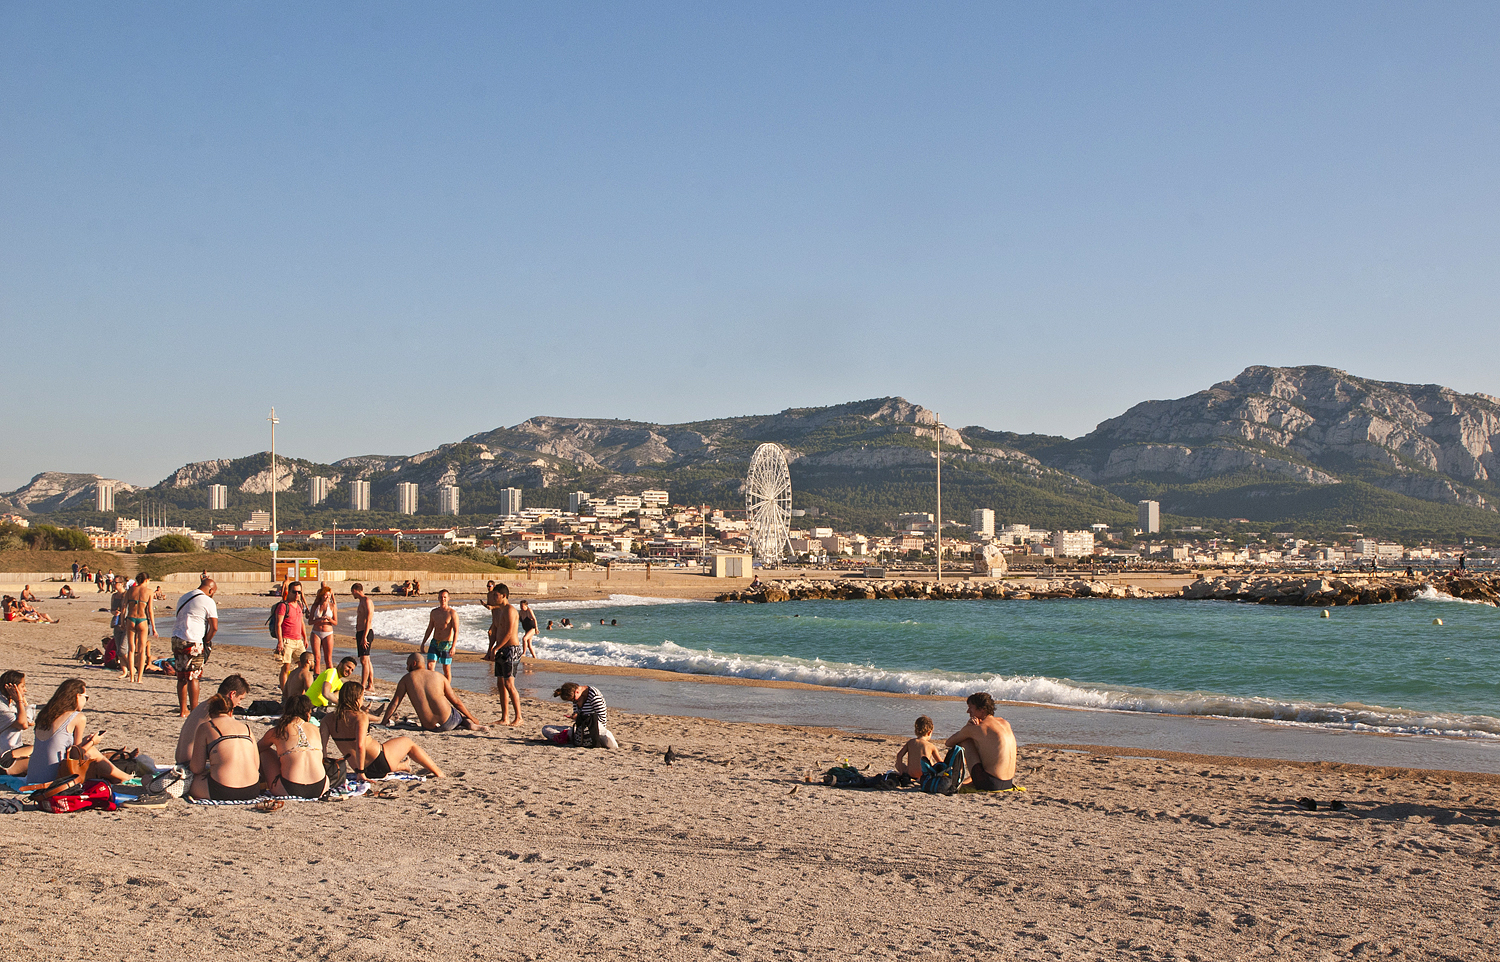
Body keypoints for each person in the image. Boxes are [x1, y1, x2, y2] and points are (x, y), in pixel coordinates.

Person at [325, 683, 444, 780]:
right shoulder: (360, 717)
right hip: (380, 761)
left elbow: (322, 748)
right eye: (362, 697)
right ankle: (438, 773)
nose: (363, 700)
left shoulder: (327, 719)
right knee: (408, 743)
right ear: (356, 699)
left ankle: (403, 766)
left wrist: (325, 770)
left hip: (358, 767)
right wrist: (361, 773)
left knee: (390, 754)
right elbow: (360, 745)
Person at [26, 679, 132, 785]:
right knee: (91, 750)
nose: (86, 701)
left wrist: (85, 741)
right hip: (54, 778)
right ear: (77, 696)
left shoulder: (44, 715)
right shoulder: (77, 717)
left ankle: (118, 776)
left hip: (33, 776)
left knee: (88, 748)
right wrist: (92, 742)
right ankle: (124, 777)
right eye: (86, 697)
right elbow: (76, 754)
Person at [381, 654, 486, 731]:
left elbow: (395, 703)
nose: (406, 668)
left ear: (413, 663)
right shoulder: (438, 676)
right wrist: (472, 718)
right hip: (448, 722)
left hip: (429, 726)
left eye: (407, 665)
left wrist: (384, 721)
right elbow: (456, 701)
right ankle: (469, 724)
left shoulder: (406, 679)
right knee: (458, 715)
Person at [188, 694, 261, 801]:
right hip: (252, 789)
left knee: (192, 780)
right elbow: (256, 765)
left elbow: (196, 768)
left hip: (223, 791)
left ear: (210, 714)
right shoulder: (247, 728)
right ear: (231, 712)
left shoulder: (206, 727)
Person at [944, 692, 1017, 791]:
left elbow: (949, 742)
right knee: (981, 742)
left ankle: (954, 778)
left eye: (971, 708)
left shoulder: (978, 727)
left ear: (982, 710)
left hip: (990, 784)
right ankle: (965, 779)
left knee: (965, 741)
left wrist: (967, 727)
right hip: (1008, 783)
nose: (968, 711)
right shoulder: (1004, 722)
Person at [176, 674, 252, 770]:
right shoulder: (219, 710)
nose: (239, 703)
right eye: (240, 699)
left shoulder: (205, 705)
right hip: (191, 766)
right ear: (232, 694)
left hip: (181, 762)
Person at [257, 695, 326, 799]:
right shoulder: (315, 728)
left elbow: (257, 749)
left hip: (289, 788)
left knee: (265, 753)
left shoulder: (278, 731)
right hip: (321, 787)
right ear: (308, 713)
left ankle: (261, 783)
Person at [171, 577, 219, 717]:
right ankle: (194, 710)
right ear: (211, 590)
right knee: (194, 676)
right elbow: (214, 627)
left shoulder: (184, 597)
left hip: (177, 638)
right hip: (193, 639)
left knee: (181, 676)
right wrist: (207, 640)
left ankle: (182, 710)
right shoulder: (207, 601)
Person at [484, 583, 522, 726]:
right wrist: (491, 649)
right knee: (500, 683)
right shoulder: (497, 611)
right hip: (500, 649)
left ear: (504, 596)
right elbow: (495, 631)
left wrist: (496, 648)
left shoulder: (510, 610)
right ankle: (505, 717)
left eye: (496, 595)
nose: (493, 597)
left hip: (511, 649)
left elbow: (509, 633)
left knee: (509, 683)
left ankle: (518, 717)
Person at [554, 682, 616, 749]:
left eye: (573, 700)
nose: (574, 702)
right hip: (580, 728)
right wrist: (575, 717)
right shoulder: (576, 698)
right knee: (545, 729)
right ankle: (567, 736)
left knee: (609, 741)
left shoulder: (594, 696)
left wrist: (581, 718)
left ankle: (568, 737)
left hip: (594, 727)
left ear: (577, 692)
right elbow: (577, 714)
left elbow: (602, 719)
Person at [272, 581, 308, 690]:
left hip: (298, 640)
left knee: (304, 666)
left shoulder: (299, 605)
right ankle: (284, 692)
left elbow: (301, 622)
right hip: (286, 640)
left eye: (299, 592)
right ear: (289, 592)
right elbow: (278, 624)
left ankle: (298, 688)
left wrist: (305, 638)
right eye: (294, 592)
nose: (297, 595)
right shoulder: (283, 606)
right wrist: (280, 642)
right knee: (286, 667)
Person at [124, 572, 157, 683]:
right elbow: (150, 611)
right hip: (142, 620)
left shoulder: (130, 591)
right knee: (142, 650)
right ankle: (139, 678)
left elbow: (124, 607)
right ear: (146, 580)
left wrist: (122, 621)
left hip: (130, 619)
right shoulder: (149, 592)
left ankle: (132, 676)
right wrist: (153, 627)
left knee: (131, 649)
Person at [420, 589, 459, 680]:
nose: (443, 599)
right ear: (438, 598)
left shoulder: (452, 613)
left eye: (445, 597)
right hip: (435, 642)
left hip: (446, 644)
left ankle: (447, 690)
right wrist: (423, 643)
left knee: (446, 669)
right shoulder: (434, 612)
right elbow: (430, 628)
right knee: (430, 666)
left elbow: (456, 631)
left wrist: (453, 646)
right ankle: (433, 686)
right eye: (441, 597)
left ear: (448, 598)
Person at [0, 671, 32, 777]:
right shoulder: (2, 708)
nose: (25, 690)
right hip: (4, 758)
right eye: (22, 686)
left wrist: (22, 700)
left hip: (13, 749)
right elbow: (23, 724)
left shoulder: (9, 704)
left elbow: (29, 721)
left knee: (42, 749)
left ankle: (17, 756)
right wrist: (19, 700)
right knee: (41, 763)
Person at [895, 715, 944, 781]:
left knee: (897, 765)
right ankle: (920, 778)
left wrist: (901, 772)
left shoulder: (910, 742)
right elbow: (940, 763)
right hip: (924, 774)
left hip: (911, 774)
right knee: (931, 761)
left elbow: (899, 755)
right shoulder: (931, 746)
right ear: (929, 732)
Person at [307, 583, 338, 674]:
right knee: (317, 658)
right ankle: (316, 677)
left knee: (328, 659)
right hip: (316, 632)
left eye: (329, 595)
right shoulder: (315, 606)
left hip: (328, 632)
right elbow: (310, 622)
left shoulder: (332, 606)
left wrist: (329, 619)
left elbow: (335, 622)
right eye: (326, 595)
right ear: (321, 595)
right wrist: (319, 619)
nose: (328, 597)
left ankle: (330, 678)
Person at [351, 582, 376, 692]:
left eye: (352, 592)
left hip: (366, 632)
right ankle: (370, 684)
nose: (352, 595)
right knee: (366, 659)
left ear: (355, 590)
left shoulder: (367, 601)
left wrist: (364, 636)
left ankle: (363, 684)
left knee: (364, 660)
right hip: (361, 632)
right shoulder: (361, 601)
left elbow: (368, 620)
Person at [110, 580, 129, 679]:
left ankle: (132, 668)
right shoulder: (114, 596)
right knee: (119, 650)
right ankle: (125, 671)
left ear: (121, 584)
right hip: (117, 622)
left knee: (122, 649)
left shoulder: (127, 594)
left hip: (126, 622)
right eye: (113, 583)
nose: (114, 584)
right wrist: (114, 612)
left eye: (116, 583)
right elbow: (111, 609)